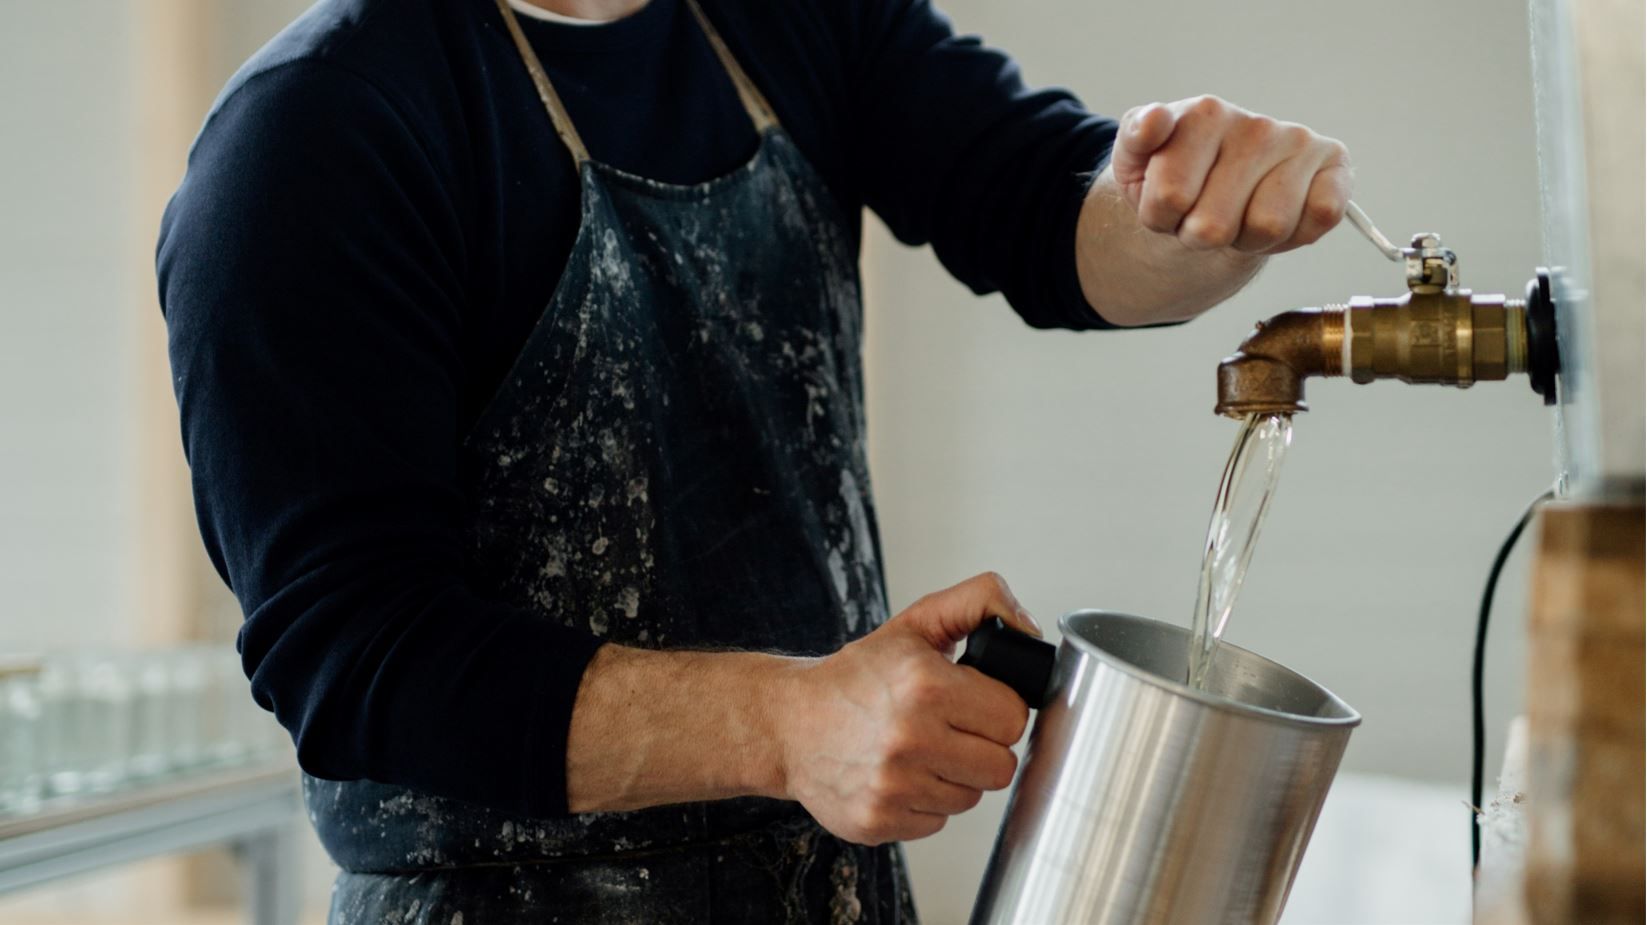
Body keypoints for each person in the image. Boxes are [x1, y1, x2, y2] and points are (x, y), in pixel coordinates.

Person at [157, 0, 1351, 920]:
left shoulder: (787, 16)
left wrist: (1199, 210)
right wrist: (790, 727)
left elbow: (1047, 213)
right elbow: (359, 663)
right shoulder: (313, 135)